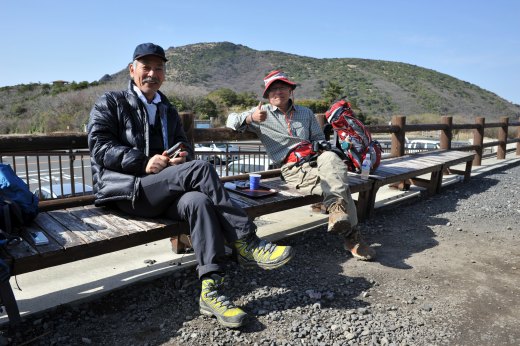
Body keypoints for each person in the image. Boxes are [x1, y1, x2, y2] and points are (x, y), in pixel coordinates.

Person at [87, 44, 293, 328]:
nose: (152, 73)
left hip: (162, 190)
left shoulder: (167, 109)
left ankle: (211, 290)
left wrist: (181, 156)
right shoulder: (110, 102)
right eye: (145, 66)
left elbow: (185, 148)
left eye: (159, 68)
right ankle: (246, 241)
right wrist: (143, 162)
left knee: (198, 201)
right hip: (127, 190)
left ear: (165, 73)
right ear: (132, 69)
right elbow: (99, 146)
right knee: (202, 169)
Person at [226, 70, 376, 261]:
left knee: (330, 157)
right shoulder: (260, 113)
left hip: (316, 159)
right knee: (339, 186)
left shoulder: (305, 113)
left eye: (282, 88)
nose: (278, 92)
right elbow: (230, 121)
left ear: (291, 91)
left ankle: (338, 213)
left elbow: (320, 140)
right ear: (267, 95)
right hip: (293, 167)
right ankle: (352, 238)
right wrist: (250, 119)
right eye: (273, 89)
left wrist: (319, 150)